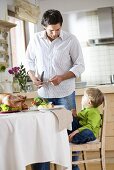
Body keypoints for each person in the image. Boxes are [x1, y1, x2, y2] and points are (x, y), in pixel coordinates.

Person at [24, 9, 85, 170]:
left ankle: (72, 168)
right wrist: (33, 77)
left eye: (58, 29)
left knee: (68, 134)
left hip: (65, 95)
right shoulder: (36, 39)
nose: (55, 33)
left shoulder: (71, 40)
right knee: (42, 136)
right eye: (51, 30)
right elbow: (28, 61)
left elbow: (80, 65)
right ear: (44, 27)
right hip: (44, 96)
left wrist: (62, 77)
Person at [69, 88, 104, 170]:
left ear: (89, 102)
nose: (82, 97)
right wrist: (74, 116)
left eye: (84, 96)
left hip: (90, 134)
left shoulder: (94, 112)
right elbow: (80, 122)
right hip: (80, 130)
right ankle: (69, 135)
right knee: (71, 118)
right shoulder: (85, 110)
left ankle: (70, 138)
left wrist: (77, 131)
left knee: (87, 132)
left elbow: (90, 126)